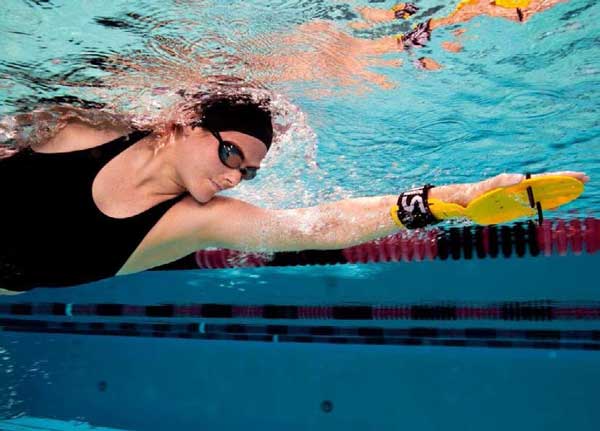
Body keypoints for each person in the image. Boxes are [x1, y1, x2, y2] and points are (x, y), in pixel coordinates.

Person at [0, 93, 589, 294]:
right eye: (232, 155)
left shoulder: (194, 221)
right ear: (181, 125)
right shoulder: (80, 129)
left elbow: (314, 227)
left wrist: (447, 199)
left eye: (248, 173)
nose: (234, 178)